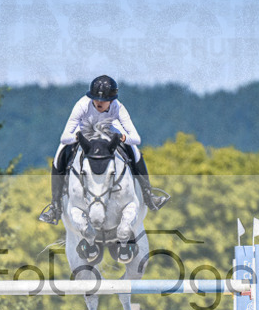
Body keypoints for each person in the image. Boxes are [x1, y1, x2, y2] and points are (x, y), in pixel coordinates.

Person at [38, 75, 168, 224]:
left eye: (104, 100)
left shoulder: (118, 107)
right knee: (59, 154)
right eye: (96, 99)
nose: (99, 102)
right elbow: (64, 137)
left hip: (109, 132)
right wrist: (78, 137)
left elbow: (136, 138)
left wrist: (122, 138)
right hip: (84, 133)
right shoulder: (82, 105)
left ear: (111, 100)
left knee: (135, 150)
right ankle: (55, 206)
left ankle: (148, 195)